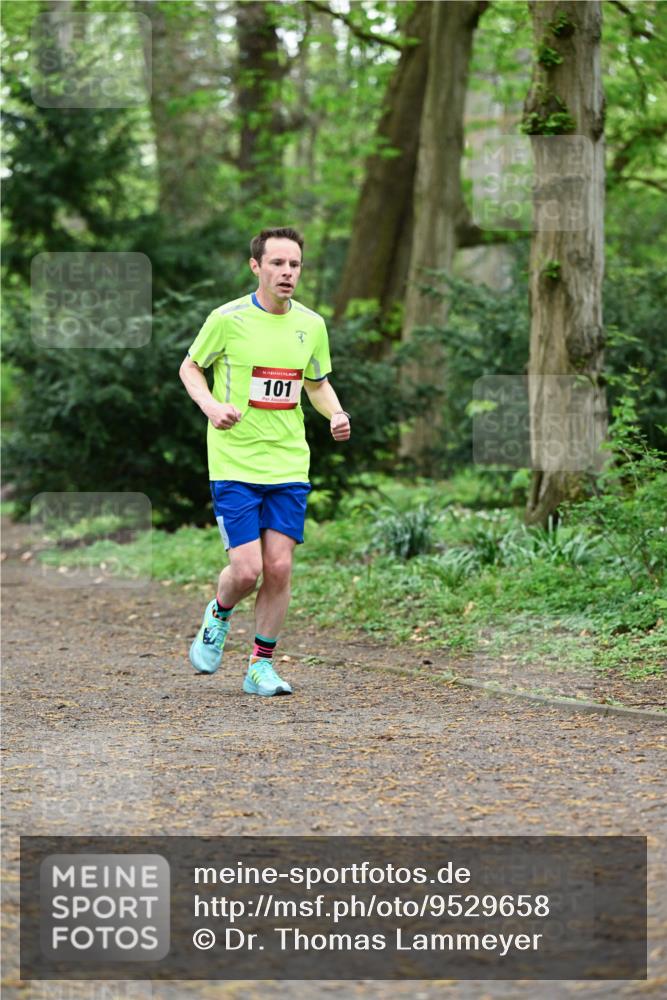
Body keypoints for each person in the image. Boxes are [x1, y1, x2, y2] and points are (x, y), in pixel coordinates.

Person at [179, 227, 350, 696]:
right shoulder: (227, 318)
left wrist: (335, 412)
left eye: (294, 264)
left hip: (289, 463)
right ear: (256, 266)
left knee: (280, 568)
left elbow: (315, 382)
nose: (287, 272)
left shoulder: (311, 325)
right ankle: (218, 613)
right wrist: (213, 407)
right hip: (234, 462)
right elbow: (190, 367)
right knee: (247, 570)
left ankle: (260, 666)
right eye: (277, 263)